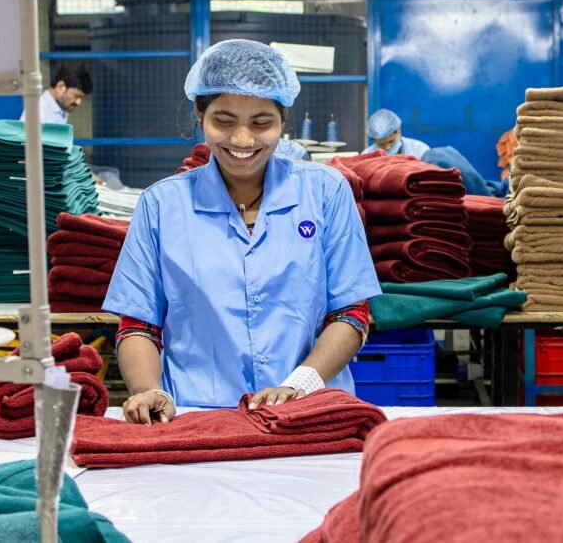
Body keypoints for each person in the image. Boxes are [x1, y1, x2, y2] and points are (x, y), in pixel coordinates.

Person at [104, 39, 381, 424]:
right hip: (194, 415)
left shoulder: (326, 192)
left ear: (284, 121)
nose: (242, 140)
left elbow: (352, 312)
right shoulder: (161, 207)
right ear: (199, 115)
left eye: (261, 123)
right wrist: (148, 390)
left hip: (308, 416)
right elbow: (138, 324)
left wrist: (300, 384)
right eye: (224, 120)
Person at [19, 63, 93, 125]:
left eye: (81, 98)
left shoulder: (61, 108)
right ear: (60, 87)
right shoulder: (36, 113)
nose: (78, 102)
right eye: (76, 96)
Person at [362, 108, 430, 159]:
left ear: (399, 130)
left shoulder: (419, 149)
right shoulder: (366, 156)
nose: (387, 147)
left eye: (391, 141)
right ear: (374, 139)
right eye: (381, 144)